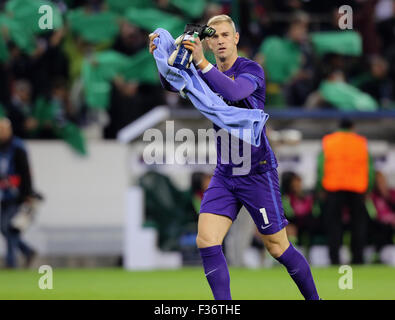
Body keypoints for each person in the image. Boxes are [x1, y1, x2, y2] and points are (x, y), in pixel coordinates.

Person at [149, 15, 320, 300]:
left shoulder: (250, 69)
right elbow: (174, 83)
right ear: (207, 42)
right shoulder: (205, 72)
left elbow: (234, 90)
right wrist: (163, 55)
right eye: (214, 36)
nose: (220, 41)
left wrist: (201, 62)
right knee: (207, 240)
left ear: (236, 38)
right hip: (226, 173)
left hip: (257, 171)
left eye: (225, 35)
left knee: (277, 247)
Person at [317, 118, 374, 265]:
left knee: (334, 225)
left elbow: (321, 166)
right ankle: (358, 259)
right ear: (353, 127)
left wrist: (320, 187)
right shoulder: (361, 142)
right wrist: (369, 188)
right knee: (358, 225)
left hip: (333, 187)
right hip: (357, 188)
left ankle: (334, 259)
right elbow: (370, 168)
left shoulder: (329, 141)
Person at [0, 118, 36, 268]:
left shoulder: (17, 147)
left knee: (9, 227)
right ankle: (27, 251)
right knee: (6, 227)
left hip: (16, 195)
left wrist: (27, 195)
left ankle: (11, 262)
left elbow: (25, 173)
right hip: (3, 195)